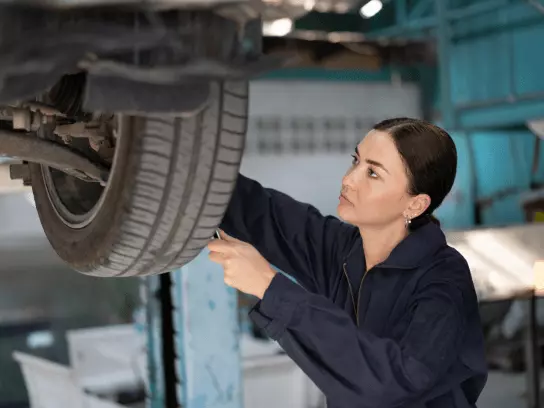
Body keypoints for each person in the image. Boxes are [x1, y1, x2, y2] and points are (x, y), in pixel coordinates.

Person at [208, 117, 488, 408]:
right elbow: (259, 213)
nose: (348, 179)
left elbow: (395, 383)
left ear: (415, 204)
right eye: (356, 161)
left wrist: (268, 286)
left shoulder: (443, 278)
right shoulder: (343, 249)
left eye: (373, 173)